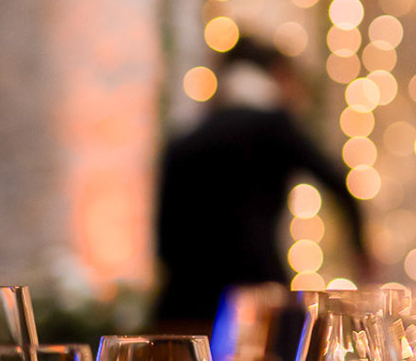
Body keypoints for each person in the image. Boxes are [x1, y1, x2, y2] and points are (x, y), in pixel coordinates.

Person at [153, 37, 369, 329]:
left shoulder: (184, 141)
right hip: (257, 303)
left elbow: (164, 245)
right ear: (278, 74)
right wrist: (361, 250)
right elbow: (336, 181)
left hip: (184, 306)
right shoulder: (275, 126)